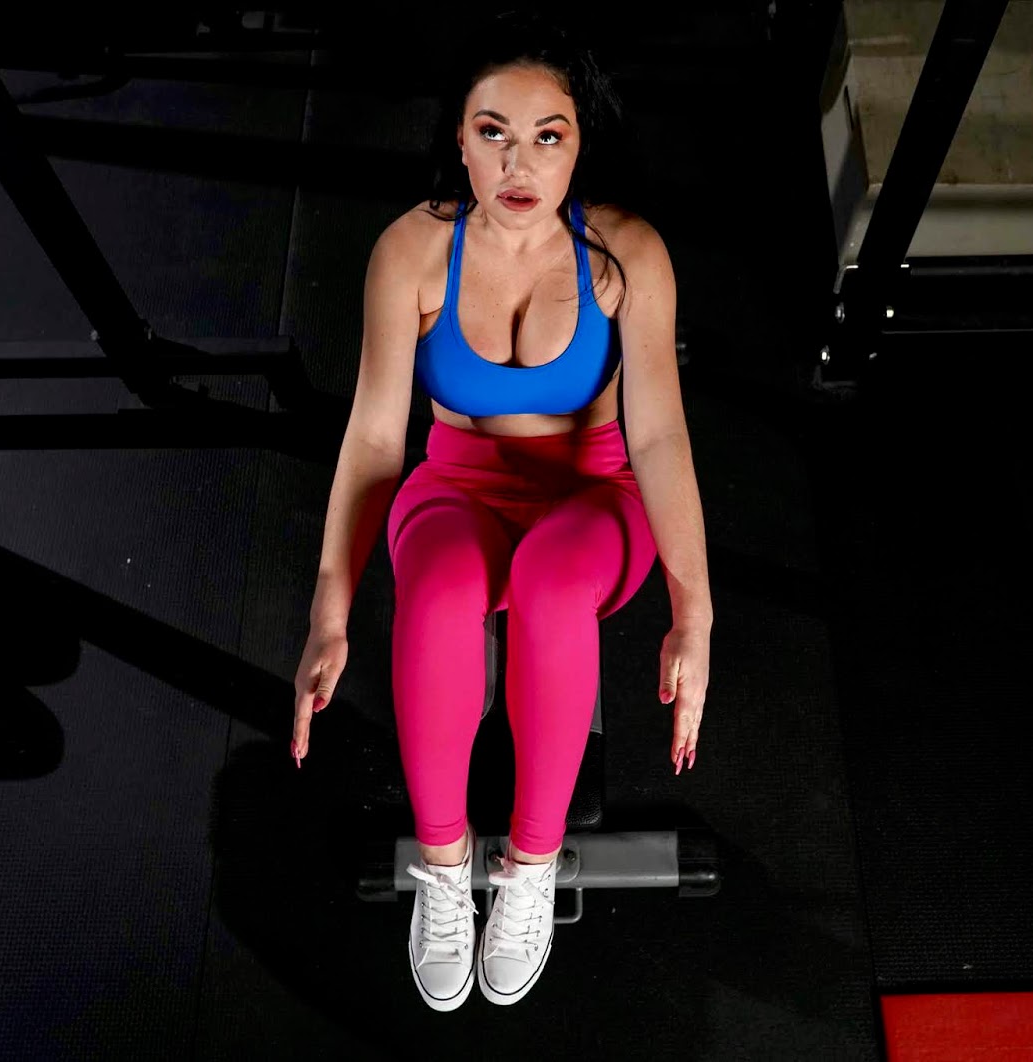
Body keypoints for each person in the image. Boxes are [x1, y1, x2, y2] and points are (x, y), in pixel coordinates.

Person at [289, 10, 712, 1011]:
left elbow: (658, 436)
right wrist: (328, 613)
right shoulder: (411, 251)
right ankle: (444, 870)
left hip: (593, 494)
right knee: (439, 591)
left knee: (550, 585)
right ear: (461, 140)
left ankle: (528, 868)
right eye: (495, 134)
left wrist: (693, 613)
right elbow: (376, 438)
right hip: (458, 485)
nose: (521, 164)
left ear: (579, 145)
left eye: (547, 137)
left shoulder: (624, 254)